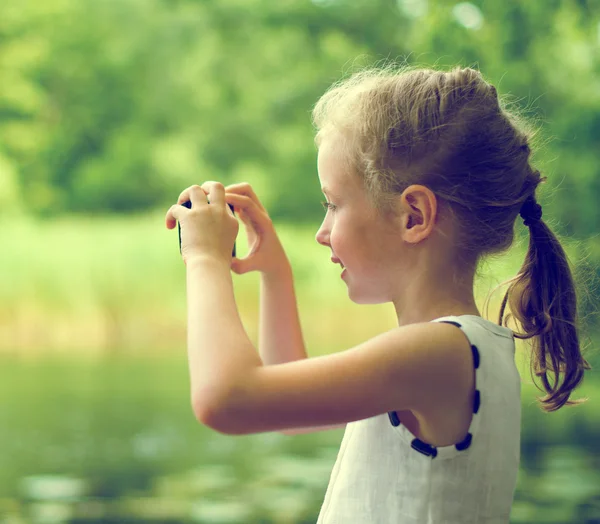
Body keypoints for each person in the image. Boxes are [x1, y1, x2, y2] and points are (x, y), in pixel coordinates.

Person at [165, 65, 591, 523]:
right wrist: (275, 274)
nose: (321, 232)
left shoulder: (436, 351)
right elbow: (292, 416)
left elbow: (228, 399)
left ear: (413, 215)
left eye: (332, 204)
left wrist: (205, 259)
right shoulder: (461, 349)